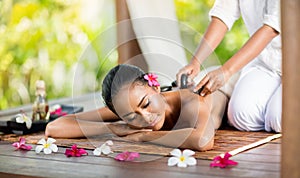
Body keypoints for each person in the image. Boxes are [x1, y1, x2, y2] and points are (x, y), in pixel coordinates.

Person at [46, 64, 227, 151]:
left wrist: (145, 136)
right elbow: (54, 127)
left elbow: (202, 141)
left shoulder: (192, 101)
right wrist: (114, 127)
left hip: (227, 86)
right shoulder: (129, 108)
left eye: (146, 104)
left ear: (155, 87)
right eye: (132, 118)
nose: (145, 117)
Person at [176, 0, 281, 132]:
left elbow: (271, 29)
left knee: (279, 119)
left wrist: (226, 71)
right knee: (241, 116)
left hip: (295, 63)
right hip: (266, 61)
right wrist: (195, 62)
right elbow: (223, 14)